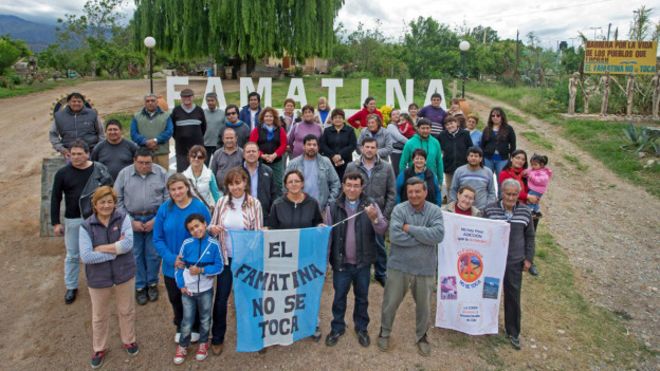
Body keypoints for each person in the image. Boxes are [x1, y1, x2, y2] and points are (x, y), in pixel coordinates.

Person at [377, 177, 444, 357]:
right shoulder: (399, 209)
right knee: (390, 303)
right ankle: (384, 332)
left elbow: (438, 235)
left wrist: (409, 228)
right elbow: (395, 237)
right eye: (410, 192)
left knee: (424, 306)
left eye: (417, 191)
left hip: (425, 269)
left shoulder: (435, 211)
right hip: (399, 266)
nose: (414, 195)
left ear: (425, 192)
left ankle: (422, 336)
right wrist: (423, 238)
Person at [324, 172, 388, 348]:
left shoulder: (371, 205)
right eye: (349, 185)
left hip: (363, 264)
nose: (352, 189)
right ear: (343, 186)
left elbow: (382, 230)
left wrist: (374, 217)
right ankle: (337, 327)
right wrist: (325, 262)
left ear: (362, 188)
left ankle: (361, 328)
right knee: (339, 297)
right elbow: (328, 236)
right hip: (341, 263)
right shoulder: (333, 207)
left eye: (356, 186)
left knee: (362, 297)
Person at [79, 186, 137, 369]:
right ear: (95, 205)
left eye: (109, 201)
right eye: (102, 202)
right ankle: (99, 347)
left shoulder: (123, 217)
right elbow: (86, 256)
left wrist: (101, 248)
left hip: (124, 273)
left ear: (114, 203)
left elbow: (128, 244)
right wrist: (114, 251)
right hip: (98, 278)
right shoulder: (86, 226)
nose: (106, 205)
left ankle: (129, 340)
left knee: (126, 310)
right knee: (99, 315)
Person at [208, 168, 263, 355]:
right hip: (225, 258)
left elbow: (257, 234)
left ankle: (255, 335)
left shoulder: (255, 204)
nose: (235, 187)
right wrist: (213, 229)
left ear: (245, 183)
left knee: (249, 298)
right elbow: (211, 226)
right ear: (228, 186)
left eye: (238, 183)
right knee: (221, 298)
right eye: (231, 184)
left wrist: (248, 253)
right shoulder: (221, 202)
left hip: (246, 260)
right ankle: (217, 337)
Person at [51, 140, 113, 304]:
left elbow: (109, 192)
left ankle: (102, 280)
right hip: (73, 219)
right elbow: (55, 198)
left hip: (97, 218)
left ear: (87, 153)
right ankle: (71, 286)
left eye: (79, 154)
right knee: (72, 255)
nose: (76, 157)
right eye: (73, 154)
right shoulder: (62, 173)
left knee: (99, 251)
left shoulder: (99, 169)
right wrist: (55, 222)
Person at [266, 169, 325, 341]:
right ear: (285, 185)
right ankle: (285, 322)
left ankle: (311, 323)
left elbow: (317, 222)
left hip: (306, 255)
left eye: (296, 181)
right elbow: (272, 229)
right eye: (290, 181)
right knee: (285, 291)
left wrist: (321, 226)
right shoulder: (277, 204)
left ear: (302, 183)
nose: (293, 184)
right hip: (284, 256)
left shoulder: (312, 203)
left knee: (308, 290)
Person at [153, 174, 211, 344]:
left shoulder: (199, 207)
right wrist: (171, 258)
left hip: (195, 265)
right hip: (173, 266)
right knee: (176, 297)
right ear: (169, 192)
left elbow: (207, 234)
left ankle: (196, 327)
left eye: (180, 188)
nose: (177, 192)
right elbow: (157, 238)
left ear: (187, 187)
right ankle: (180, 325)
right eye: (173, 189)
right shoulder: (164, 209)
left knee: (197, 296)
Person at [483, 178, 535, 350]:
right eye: (508, 194)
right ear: (501, 193)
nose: (511, 198)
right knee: (488, 293)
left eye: (514, 194)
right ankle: (484, 324)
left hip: (514, 262)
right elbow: (481, 233)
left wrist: (528, 258)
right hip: (492, 261)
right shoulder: (489, 209)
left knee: (513, 296)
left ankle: (513, 332)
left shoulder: (526, 212)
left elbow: (530, 237)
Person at [114, 147, 168, 305]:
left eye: (148, 163)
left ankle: (152, 283)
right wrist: (129, 221)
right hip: (132, 218)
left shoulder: (161, 173)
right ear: (134, 161)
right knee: (136, 254)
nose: (145, 166)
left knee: (153, 254)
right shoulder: (124, 174)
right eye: (141, 163)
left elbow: (167, 199)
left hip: (154, 218)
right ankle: (140, 286)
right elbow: (117, 199)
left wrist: (157, 220)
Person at [345, 137, 396, 287]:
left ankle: (381, 273)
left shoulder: (386, 167)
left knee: (379, 245)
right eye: (367, 147)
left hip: (378, 213)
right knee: (356, 243)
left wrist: (385, 216)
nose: (369, 150)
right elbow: (347, 189)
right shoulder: (352, 166)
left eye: (373, 147)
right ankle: (357, 273)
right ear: (361, 148)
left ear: (377, 149)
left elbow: (392, 193)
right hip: (357, 212)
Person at [173, 214, 223, 364]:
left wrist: (202, 270)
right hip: (188, 291)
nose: (196, 230)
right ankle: (183, 345)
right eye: (191, 229)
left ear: (205, 224)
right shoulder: (186, 244)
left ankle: (203, 344)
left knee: (205, 319)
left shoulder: (214, 245)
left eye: (198, 226)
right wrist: (181, 285)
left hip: (206, 291)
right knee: (187, 320)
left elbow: (219, 267)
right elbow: (179, 266)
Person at [286, 134, 340, 211]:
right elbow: (286, 185)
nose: (312, 147)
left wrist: (329, 203)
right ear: (303, 147)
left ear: (318, 148)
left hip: (321, 208)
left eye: (314, 145)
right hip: (299, 208)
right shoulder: (293, 164)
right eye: (309, 144)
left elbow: (335, 183)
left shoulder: (326, 162)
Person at [49, 92, 105, 157]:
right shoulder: (59, 116)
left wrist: (98, 148)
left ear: (83, 103)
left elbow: (101, 133)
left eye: (79, 101)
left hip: (91, 151)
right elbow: (53, 134)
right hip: (69, 154)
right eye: (74, 101)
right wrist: (62, 149)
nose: (76, 103)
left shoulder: (92, 114)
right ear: (68, 102)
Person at [130, 94, 174, 170]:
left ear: (157, 102)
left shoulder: (166, 116)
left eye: (152, 101)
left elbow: (169, 131)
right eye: (147, 101)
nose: (150, 103)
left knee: (162, 178)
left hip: (161, 153)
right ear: (144, 103)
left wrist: (156, 140)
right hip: (143, 155)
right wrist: (145, 142)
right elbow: (133, 134)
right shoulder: (136, 116)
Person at [249, 107, 288, 191]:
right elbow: (252, 145)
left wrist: (274, 155)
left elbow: (284, 145)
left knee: (278, 184)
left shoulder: (280, 130)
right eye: (266, 116)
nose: (268, 118)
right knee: (262, 183)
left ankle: (277, 202)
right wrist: (262, 155)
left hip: (276, 162)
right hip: (261, 161)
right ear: (263, 118)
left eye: (271, 116)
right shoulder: (257, 130)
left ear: (274, 118)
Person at [171, 88, 207, 172]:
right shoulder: (176, 111)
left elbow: (203, 128)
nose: (187, 98)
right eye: (184, 96)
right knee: (182, 173)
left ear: (193, 97)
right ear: (181, 98)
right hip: (181, 150)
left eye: (189, 96)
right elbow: (172, 129)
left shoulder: (199, 110)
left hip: (197, 149)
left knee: (198, 172)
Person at [399, 118, 444, 184]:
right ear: (418, 128)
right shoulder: (410, 143)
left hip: (431, 179)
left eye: (427, 128)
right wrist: (403, 181)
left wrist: (440, 181)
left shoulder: (435, 142)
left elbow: (439, 162)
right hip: (414, 180)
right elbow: (403, 163)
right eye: (423, 128)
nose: (425, 130)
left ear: (431, 129)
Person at [243, 141, 279, 219]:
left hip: (263, 214)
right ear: (244, 154)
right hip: (242, 214)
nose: (251, 153)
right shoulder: (237, 172)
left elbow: (274, 194)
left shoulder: (268, 171)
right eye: (248, 152)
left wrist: (271, 214)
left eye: (254, 151)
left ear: (259, 153)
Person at [438, 115, 473, 194]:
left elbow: (470, 149)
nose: (450, 126)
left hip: (463, 166)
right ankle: (451, 205)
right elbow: (438, 148)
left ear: (456, 123)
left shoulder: (465, 134)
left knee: (463, 188)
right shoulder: (442, 135)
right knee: (450, 188)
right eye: (447, 125)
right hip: (449, 166)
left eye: (451, 123)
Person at [319, 108, 357, 181]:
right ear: (332, 119)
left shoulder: (350, 130)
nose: (337, 119)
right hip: (330, 162)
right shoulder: (327, 131)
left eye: (340, 117)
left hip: (346, 162)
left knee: (345, 181)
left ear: (343, 119)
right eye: (335, 118)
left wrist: (340, 155)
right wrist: (333, 155)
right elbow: (323, 145)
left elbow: (352, 145)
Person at [481, 107, 516, 180]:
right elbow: (482, 145)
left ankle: (500, 192)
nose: (495, 117)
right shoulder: (487, 129)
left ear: (502, 117)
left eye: (498, 115)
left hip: (502, 160)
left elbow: (513, 145)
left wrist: (511, 159)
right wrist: (482, 158)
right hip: (488, 159)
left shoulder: (508, 129)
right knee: (487, 180)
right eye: (493, 116)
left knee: (501, 181)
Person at [202, 93, 225, 165]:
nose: (210, 102)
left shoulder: (222, 113)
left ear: (216, 101)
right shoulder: (202, 113)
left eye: (212, 100)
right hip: (205, 144)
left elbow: (226, 129)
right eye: (208, 101)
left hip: (218, 145)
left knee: (219, 165)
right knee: (204, 166)